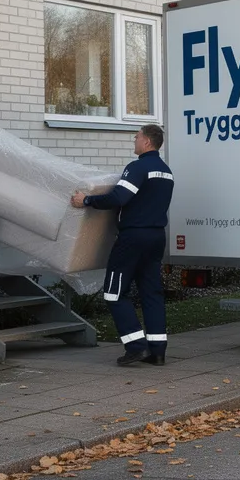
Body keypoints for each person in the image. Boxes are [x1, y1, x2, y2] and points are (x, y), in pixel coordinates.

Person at [72, 124, 174, 366]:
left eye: (137, 137)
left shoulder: (138, 167)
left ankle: (136, 347)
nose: (134, 141)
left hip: (133, 239)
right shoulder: (165, 171)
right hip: (156, 237)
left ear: (148, 142)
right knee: (152, 294)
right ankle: (157, 351)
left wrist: (85, 199)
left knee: (114, 292)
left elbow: (118, 198)